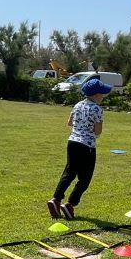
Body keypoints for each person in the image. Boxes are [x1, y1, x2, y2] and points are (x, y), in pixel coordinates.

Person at [48, 78, 110, 220]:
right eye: (102, 94)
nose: (103, 97)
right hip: (87, 146)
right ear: (95, 95)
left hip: (72, 142)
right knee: (85, 178)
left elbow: (69, 122)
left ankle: (55, 199)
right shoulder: (97, 109)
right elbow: (98, 131)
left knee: (69, 173)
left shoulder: (77, 105)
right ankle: (70, 204)